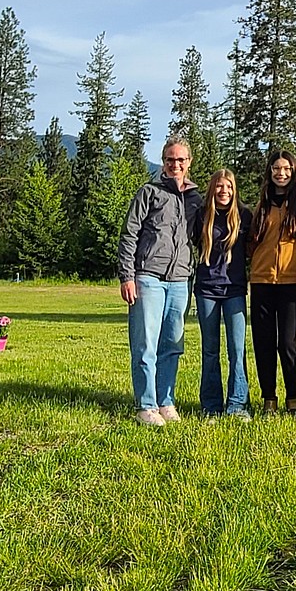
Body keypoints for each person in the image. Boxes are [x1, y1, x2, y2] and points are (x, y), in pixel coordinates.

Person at [118, 136, 204, 426]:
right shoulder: (149, 192)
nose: (175, 164)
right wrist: (127, 276)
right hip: (148, 277)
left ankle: (166, 401)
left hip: (181, 280)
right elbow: (129, 235)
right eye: (170, 159)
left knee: (172, 344)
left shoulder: (195, 199)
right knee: (145, 344)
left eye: (180, 159)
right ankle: (146, 405)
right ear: (163, 161)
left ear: (189, 162)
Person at [248, 149, 296, 419]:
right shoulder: (263, 202)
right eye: (276, 168)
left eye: (286, 168)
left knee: (287, 343)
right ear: (270, 172)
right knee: (263, 342)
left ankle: (293, 399)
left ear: (294, 170)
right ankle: (268, 400)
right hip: (261, 279)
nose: (281, 173)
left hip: (290, 280)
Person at [193, 168, 253, 420]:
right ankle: (211, 405)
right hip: (206, 288)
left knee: (236, 349)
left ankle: (238, 404)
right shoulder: (201, 216)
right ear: (212, 189)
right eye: (219, 186)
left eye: (228, 186)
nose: (223, 191)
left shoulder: (245, 215)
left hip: (235, 290)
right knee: (210, 350)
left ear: (234, 190)